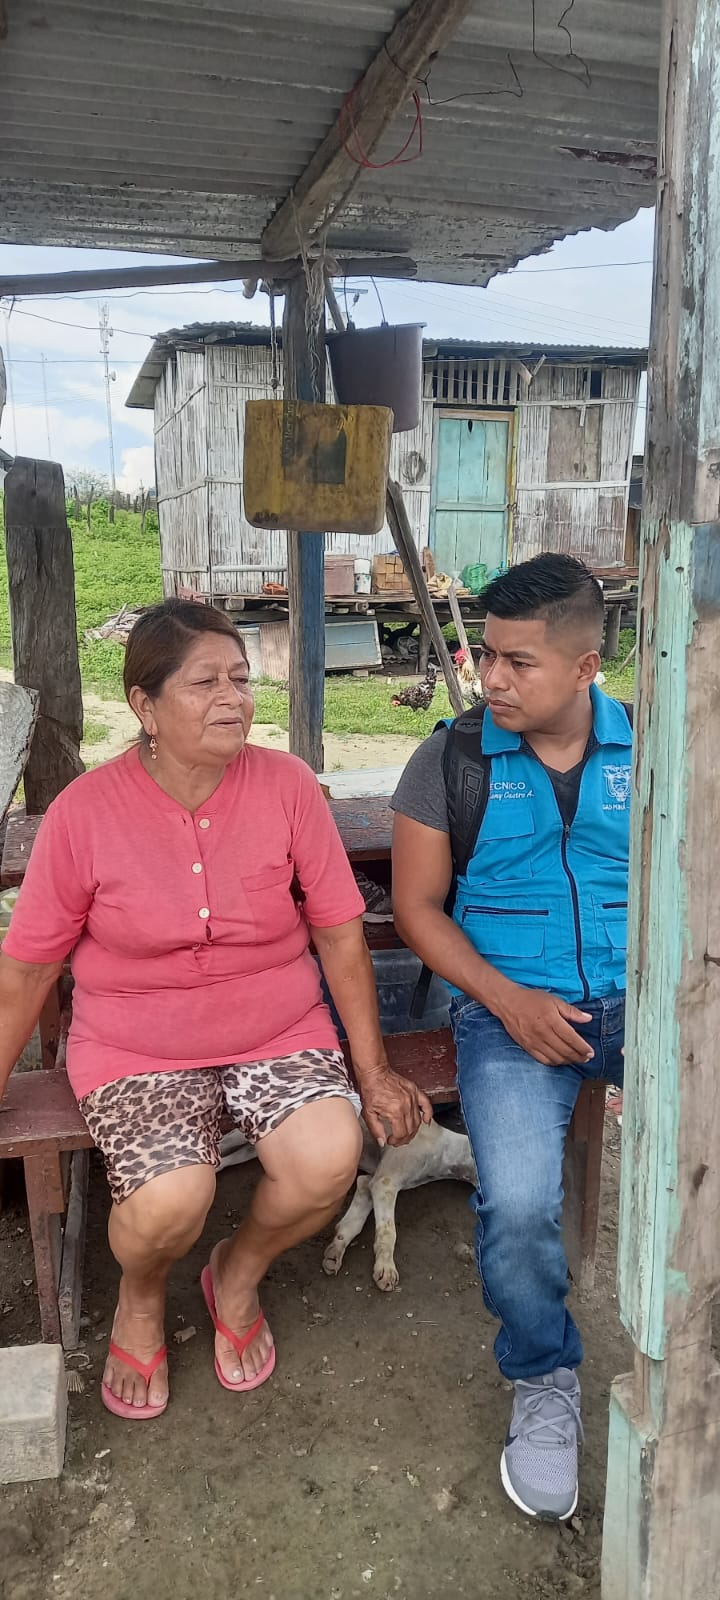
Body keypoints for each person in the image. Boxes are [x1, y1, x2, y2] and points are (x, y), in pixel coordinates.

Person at [0, 599, 431, 1420]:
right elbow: (27, 970)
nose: (233, 697)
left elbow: (339, 933)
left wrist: (372, 1070)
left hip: (279, 1029)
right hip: (136, 1045)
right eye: (205, 683)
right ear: (144, 705)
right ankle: (140, 1294)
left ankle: (237, 1271)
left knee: (328, 1161)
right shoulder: (84, 813)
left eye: (240, 677)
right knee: (171, 1198)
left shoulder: (287, 786)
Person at [391, 554, 628, 1521]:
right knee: (521, 1204)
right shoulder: (451, 761)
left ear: (586, 666)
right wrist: (509, 1000)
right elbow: (416, 909)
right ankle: (543, 1376)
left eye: (518, 662)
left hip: (642, 1002)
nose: (490, 678)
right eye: (485, 655)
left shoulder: (656, 752)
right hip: (505, 1013)